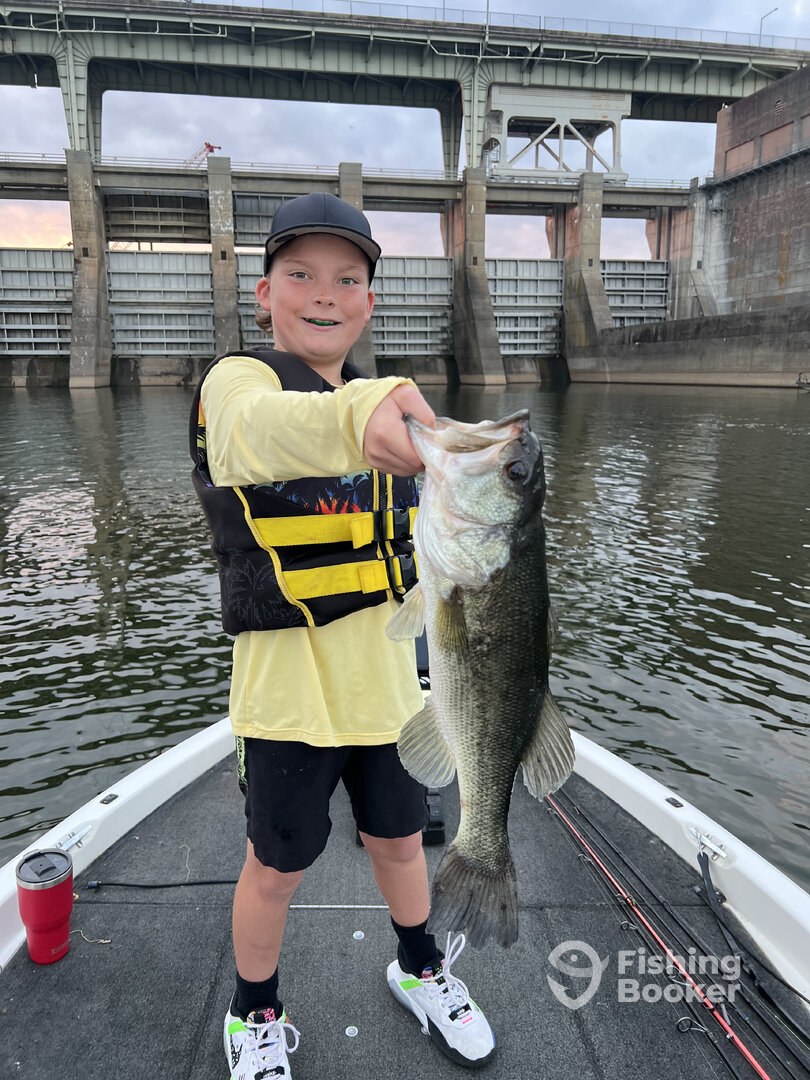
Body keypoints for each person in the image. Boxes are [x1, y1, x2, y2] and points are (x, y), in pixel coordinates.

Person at [189, 192, 496, 1079]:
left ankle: (420, 969)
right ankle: (254, 1013)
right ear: (264, 294)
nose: (324, 294)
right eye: (301, 274)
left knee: (400, 842)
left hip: (392, 690)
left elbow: (453, 545)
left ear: (369, 302)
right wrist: (359, 411)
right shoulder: (238, 383)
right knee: (275, 868)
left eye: (347, 279)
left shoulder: (400, 426)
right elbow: (248, 435)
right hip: (286, 699)